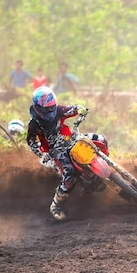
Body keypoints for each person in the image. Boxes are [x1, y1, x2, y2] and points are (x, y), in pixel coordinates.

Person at [26, 86, 88, 221]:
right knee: (70, 174)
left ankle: (108, 167)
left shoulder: (58, 110)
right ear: (37, 108)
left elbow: (71, 109)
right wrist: (42, 154)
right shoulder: (34, 124)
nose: (50, 110)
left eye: (52, 107)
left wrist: (79, 109)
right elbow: (31, 142)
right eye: (46, 108)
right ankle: (56, 206)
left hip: (70, 139)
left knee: (99, 140)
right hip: (54, 151)